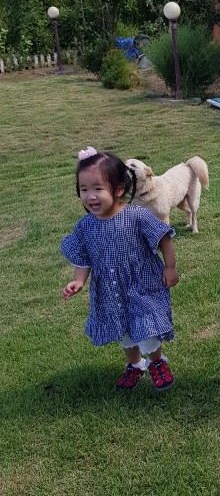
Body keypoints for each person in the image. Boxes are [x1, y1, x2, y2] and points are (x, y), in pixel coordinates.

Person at [61, 147, 179, 392]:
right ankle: (135, 365)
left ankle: (156, 362)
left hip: (141, 285)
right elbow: (83, 258)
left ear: (118, 189)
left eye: (98, 189)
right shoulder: (85, 226)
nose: (91, 196)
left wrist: (170, 267)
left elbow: (164, 237)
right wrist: (79, 281)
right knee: (122, 330)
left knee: (146, 326)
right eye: (84, 189)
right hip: (109, 290)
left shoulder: (137, 216)